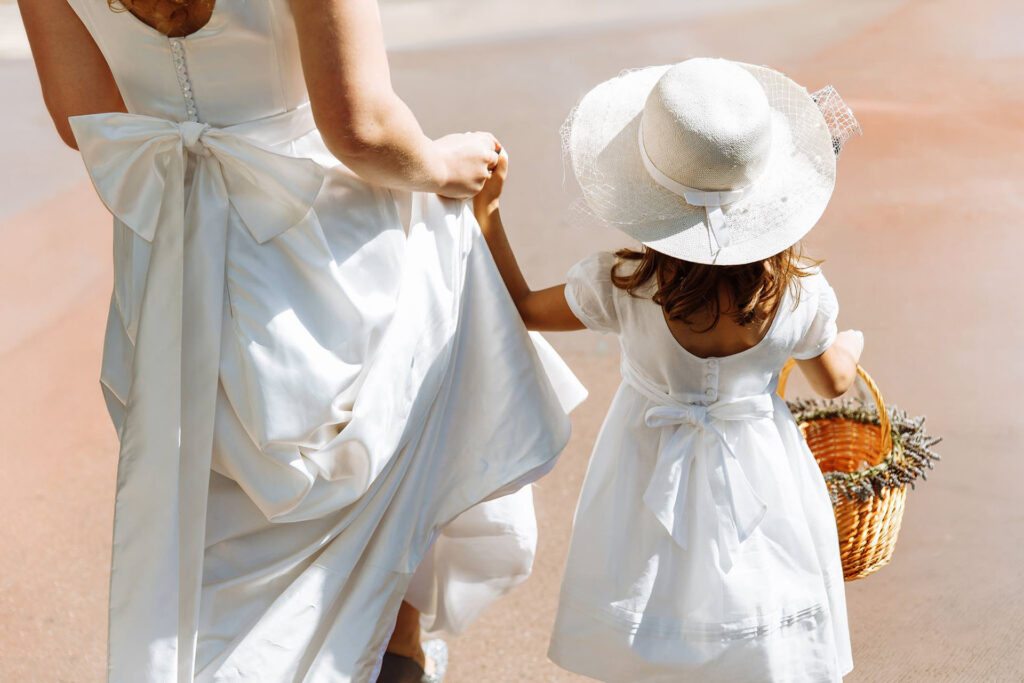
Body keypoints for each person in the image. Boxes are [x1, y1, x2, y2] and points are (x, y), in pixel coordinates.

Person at [18, 0, 585, 680]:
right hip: (313, 242)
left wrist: (189, 126)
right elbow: (361, 129)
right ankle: (393, 644)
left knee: (218, 505)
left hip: (173, 250)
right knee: (443, 245)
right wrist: (443, 166)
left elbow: (81, 116)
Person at [473, 57, 860, 681]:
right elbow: (836, 381)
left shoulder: (622, 285)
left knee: (648, 593)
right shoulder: (800, 295)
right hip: (761, 468)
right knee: (759, 596)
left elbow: (519, 308)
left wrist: (487, 213)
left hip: (643, 461)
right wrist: (846, 347)